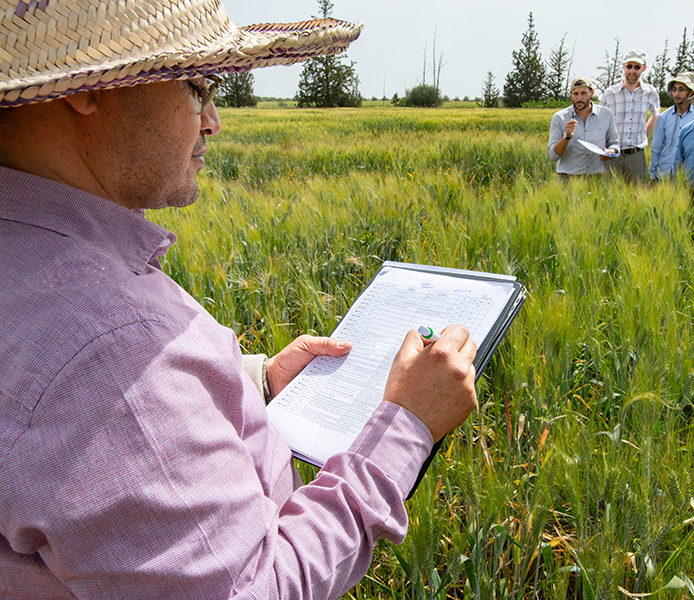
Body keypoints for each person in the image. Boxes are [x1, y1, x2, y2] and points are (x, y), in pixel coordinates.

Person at [0, 2, 479, 598]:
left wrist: (255, 382)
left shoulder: (33, 262)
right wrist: (405, 428)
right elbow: (256, 588)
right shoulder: (106, 344)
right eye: (198, 86)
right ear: (88, 89)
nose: (213, 121)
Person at [599, 49, 661, 182]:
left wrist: (644, 132)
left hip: (636, 154)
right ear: (624, 67)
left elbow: (655, 114)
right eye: (629, 66)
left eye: (637, 67)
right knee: (609, 195)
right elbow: (600, 121)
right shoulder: (610, 93)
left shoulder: (650, 92)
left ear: (643, 68)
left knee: (636, 196)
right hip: (613, 154)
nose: (632, 71)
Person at [548, 76, 620, 178]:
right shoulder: (560, 117)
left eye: (583, 93)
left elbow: (614, 144)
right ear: (570, 95)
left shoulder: (606, 114)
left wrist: (610, 152)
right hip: (567, 179)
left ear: (592, 93)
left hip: (597, 177)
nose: (579, 98)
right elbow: (553, 155)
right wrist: (566, 136)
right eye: (575, 94)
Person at [649, 72, 694, 181]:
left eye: (681, 90)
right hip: (663, 174)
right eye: (674, 89)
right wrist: (653, 174)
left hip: (688, 177)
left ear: (691, 92)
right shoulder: (664, 117)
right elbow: (656, 148)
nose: (676, 94)